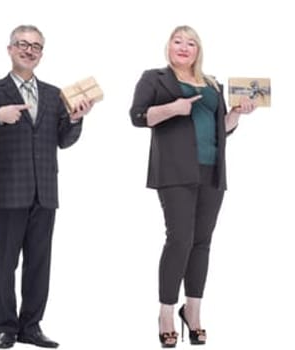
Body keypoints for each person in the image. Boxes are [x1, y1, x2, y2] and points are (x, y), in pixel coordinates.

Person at [127, 25, 256, 348]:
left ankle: (193, 312)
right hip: (174, 171)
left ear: (199, 50)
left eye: (191, 43)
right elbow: (138, 116)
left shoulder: (213, 84)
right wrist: (173, 108)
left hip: (212, 171)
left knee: (202, 242)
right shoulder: (154, 78)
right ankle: (166, 314)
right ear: (168, 46)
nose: (184, 47)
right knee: (180, 239)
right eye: (178, 41)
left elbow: (221, 129)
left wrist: (237, 115)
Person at [0, 24, 87, 350]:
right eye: (22, 44)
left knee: (39, 263)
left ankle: (31, 327)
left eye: (36, 46)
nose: (29, 50)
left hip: (44, 191)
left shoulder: (53, 94)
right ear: (10, 49)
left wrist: (75, 119)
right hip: (7, 192)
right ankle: (6, 328)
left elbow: (63, 140)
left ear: (41, 54)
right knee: (5, 263)